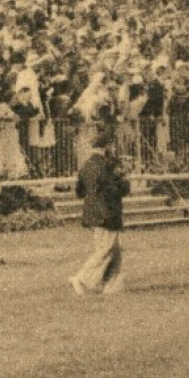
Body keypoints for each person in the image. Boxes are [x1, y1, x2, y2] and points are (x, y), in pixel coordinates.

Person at [69, 125, 130, 296]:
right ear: (108, 145)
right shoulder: (108, 167)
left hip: (92, 212)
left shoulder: (86, 166)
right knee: (106, 248)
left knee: (114, 249)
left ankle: (110, 284)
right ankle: (82, 278)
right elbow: (120, 189)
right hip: (107, 212)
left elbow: (79, 191)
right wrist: (123, 178)